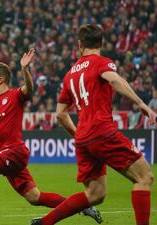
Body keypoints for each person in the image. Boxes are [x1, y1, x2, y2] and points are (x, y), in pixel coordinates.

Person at [0, 49, 102, 225]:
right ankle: (81, 206)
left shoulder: (14, 96)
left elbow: (29, 88)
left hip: (15, 151)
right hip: (5, 154)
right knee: (35, 197)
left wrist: (25, 70)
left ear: (0, 79)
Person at [30, 24, 155, 225]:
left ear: (80, 45)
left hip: (83, 138)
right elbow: (114, 80)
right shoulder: (102, 63)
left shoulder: (69, 75)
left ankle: (44, 223)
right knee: (145, 177)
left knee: (95, 194)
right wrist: (140, 103)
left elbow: (60, 115)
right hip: (102, 131)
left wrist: (78, 135)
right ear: (101, 43)